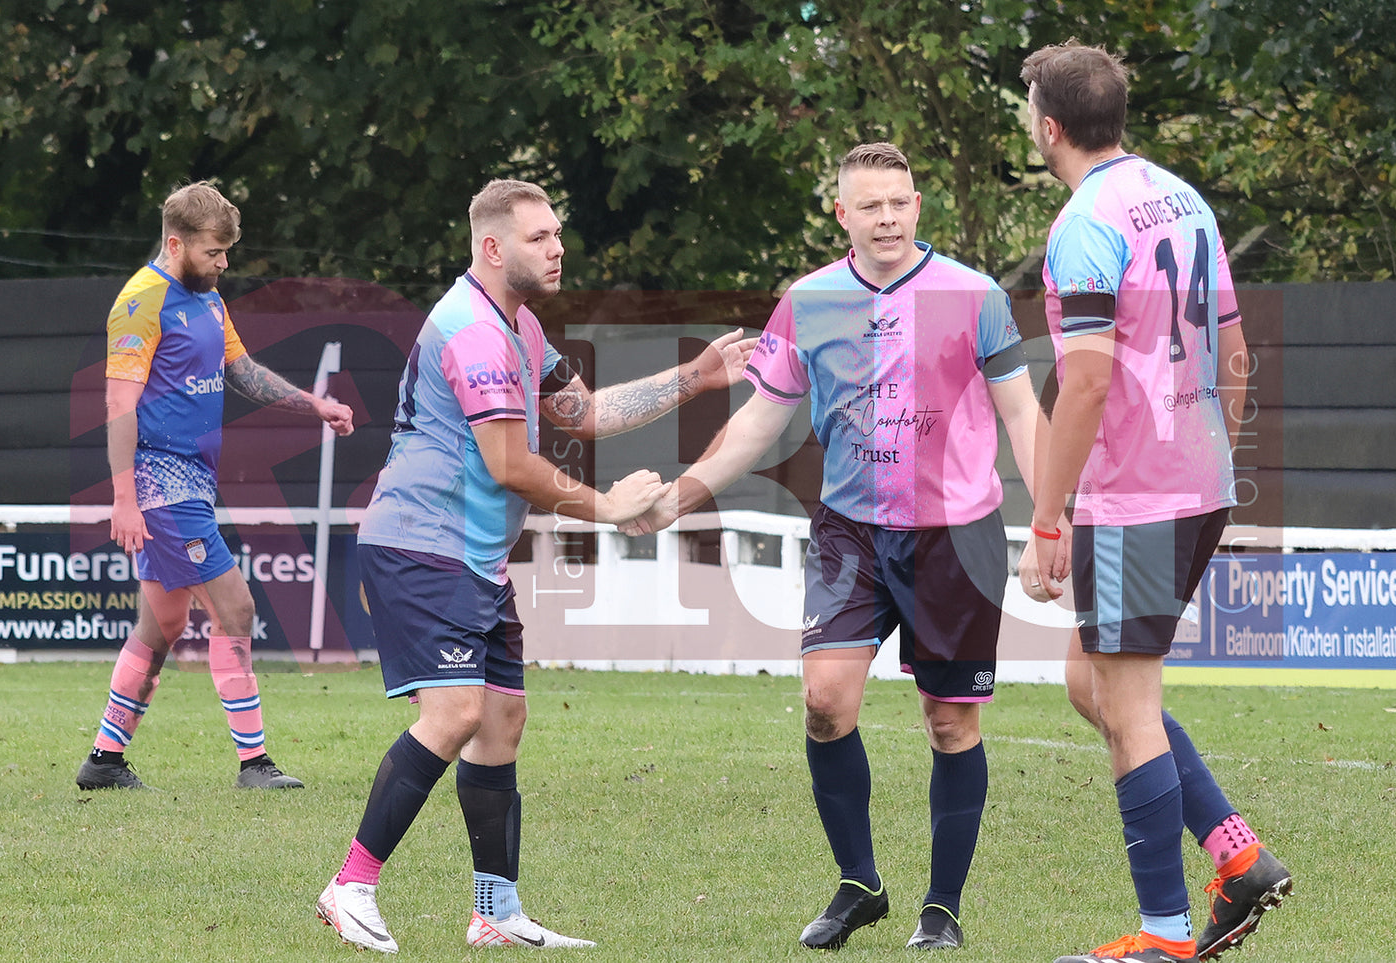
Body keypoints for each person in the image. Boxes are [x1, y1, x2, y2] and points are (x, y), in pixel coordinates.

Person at [621, 142, 1052, 952]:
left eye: (898, 201)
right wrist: (681, 495)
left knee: (950, 723)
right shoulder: (806, 301)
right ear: (841, 214)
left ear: (917, 206)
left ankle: (941, 909)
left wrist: (1052, 520)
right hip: (848, 530)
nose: (886, 217)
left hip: (955, 534)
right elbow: (758, 420)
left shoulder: (974, 295)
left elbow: (1023, 416)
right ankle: (859, 883)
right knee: (824, 703)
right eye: (869, 204)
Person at [315, 177, 757, 954]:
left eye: (556, 233)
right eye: (538, 237)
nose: (557, 248)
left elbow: (579, 413)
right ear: (492, 247)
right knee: (453, 715)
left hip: (470, 556)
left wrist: (697, 377)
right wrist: (608, 507)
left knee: (501, 722)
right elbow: (511, 464)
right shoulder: (475, 333)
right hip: (422, 546)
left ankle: (494, 910)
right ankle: (350, 883)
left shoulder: (517, 328)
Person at [1017, 41, 1293, 963]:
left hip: (1133, 495)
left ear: (1047, 126)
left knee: (1127, 705)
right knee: (1087, 681)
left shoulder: (1083, 222)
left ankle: (1165, 939)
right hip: (1197, 480)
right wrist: (1210, 458)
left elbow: (1086, 383)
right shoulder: (1182, 198)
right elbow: (1234, 353)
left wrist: (1048, 519)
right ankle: (1237, 856)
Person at [77, 181, 355, 792]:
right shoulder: (140, 303)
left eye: (227, 253)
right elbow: (119, 406)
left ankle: (103, 761)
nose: (224, 264)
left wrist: (314, 404)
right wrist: (124, 498)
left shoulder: (207, 299)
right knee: (238, 609)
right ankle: (254, 764)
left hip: (193, 483)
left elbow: (242, 370)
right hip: (163, 486)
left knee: (163, 625)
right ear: (175, 243)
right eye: (213, 253)